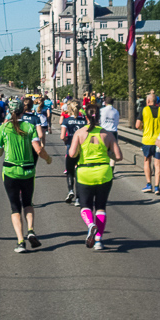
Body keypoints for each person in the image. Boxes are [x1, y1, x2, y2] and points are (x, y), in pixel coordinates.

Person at [0, 98, 52, 252]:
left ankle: (20, 241)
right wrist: (48, 159)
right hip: (28, 171)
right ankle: (31, 230)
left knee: (15, 207)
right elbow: (38, 149)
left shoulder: (3, 128)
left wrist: (5, 146)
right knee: (28, 203)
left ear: (9, 111)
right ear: (22, 111)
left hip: (10, 171)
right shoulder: (29, 126)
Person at [68, 103, 123, 251]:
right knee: (100, 207)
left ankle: (90, 225)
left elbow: (72, 154)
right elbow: (118, 156)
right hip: (104, 173)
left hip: (85, 173)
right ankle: (98, 239)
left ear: (85, 116)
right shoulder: (107, 134)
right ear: (99, 117)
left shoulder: (79, 133)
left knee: (85, 205)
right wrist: (108, 152)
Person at [135, 91, 160, 194]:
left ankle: (149, 184)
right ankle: (157, 187)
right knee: (158, 164)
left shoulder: (144, 110)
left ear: (148, 101)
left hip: (147, 141)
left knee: (147, 161)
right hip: (159, 141)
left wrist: (143, 127)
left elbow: (137, 125)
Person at [61, 101, 83, 203]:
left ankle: (70, 190)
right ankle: (78, 198)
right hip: (81, 149)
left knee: (70, 172)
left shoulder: (66, 121)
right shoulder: (84, 121)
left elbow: (62, 136)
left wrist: (66, 140)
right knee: (78, 173)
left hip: (71, 148)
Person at [99, 95, 120, 168]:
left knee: (103, 150)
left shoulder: (101, 110)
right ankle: (111, 168)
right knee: (113, 152)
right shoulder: (116, 111)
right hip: (113, 132)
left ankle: (103, 165)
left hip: (104, 131)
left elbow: (99, 121)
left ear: (105, 102)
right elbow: (117, 123)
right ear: (113, 103)